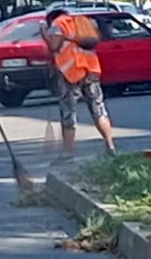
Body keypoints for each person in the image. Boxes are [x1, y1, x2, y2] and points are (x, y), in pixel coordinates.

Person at [40, 9, 116, 157]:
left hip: (71, 72)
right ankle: (110, 146)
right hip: (91, 69)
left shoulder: (58, 24)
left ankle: (67, 153)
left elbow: (53, 45)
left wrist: (44, 34)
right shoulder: (81, 22)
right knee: (99, 110)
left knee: (68, 112)